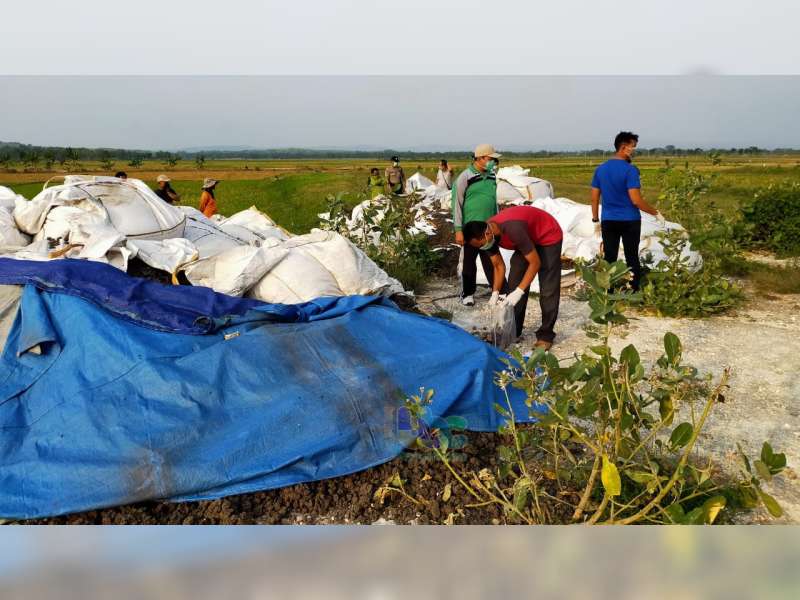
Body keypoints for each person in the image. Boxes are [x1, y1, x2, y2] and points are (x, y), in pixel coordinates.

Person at [463, 205, 563, 350]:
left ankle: (545, 335)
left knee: (548, 288)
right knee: (515, 279)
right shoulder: (488, 237)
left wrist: (520, 291)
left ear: (487, 234)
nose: (482, 249)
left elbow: (535, 263)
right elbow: (498, 266)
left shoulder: (513, 229)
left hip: (547, 235)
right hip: (528, 237)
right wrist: (495, 293)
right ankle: (513, 331)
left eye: (481, 245)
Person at [591, 131, 664, 291]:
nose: (634, 150)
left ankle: (607, 291)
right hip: (629, 220)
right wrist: (655, 213)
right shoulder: (630, 170)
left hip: (609, 220)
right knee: (632, 256)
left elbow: (595, 197)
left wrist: (595, 220)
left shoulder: (600, 169)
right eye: (633, 147)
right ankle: (633, 290)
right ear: (624, 147)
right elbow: (636, 200)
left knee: (609, 257)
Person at [452, 144, 501, 306]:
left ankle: (497, 290)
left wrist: (498, 222)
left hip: (488, 228)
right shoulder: (465, 177)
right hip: (471, 228)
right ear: (479, 158)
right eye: (490, 159)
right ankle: (467, 293)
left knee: (492, 260)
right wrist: (459, 230)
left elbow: (494, 201)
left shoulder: (492, 176)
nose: (493, 162)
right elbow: (457, 204)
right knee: (469, 262)